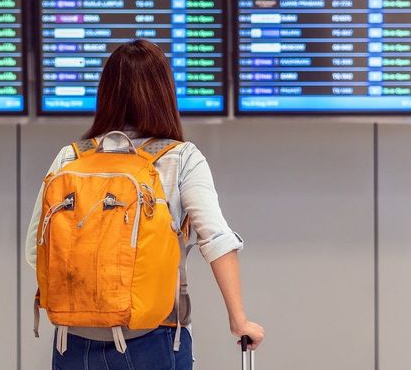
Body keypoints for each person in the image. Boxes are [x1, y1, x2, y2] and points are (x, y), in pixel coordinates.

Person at [25, 39, 265, 369]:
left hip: (72, 341)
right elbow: (217, 240)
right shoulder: (181, 158)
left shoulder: (71, 157)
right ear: (165, 93)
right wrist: (240, 321)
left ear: (105, 92)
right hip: (153, 338)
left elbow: (35, 249)